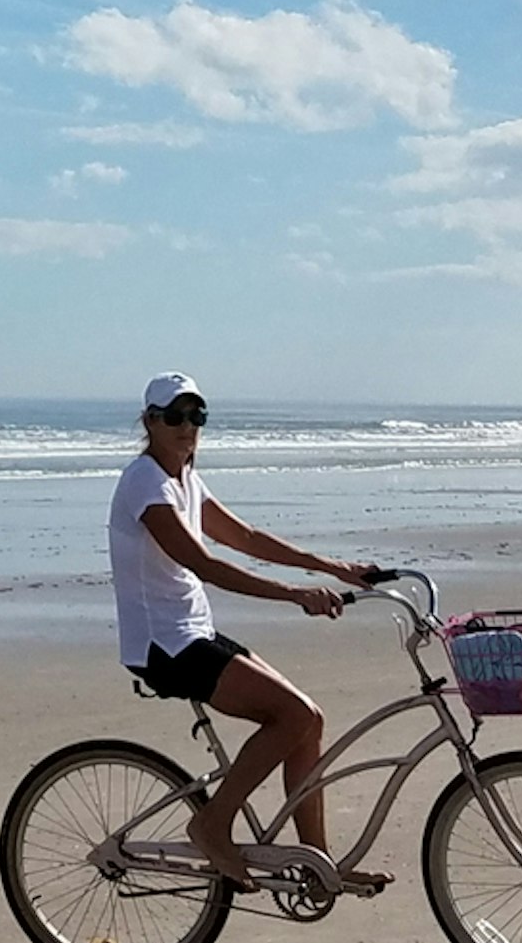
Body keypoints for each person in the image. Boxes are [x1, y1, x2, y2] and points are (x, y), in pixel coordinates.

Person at [109, 372, 385, 888]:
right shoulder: (143, 482)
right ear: (150, 421)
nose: (187, 427)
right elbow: (206, 564)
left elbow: (248, 537)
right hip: (162, 646)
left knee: (310, 720)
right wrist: (294, 595)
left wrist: (333, 568)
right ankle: (212, 825)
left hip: (192, 634)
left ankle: (316, 864)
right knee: (292, 714)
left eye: (196, 416)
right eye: (174, 416)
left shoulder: (186, 479)